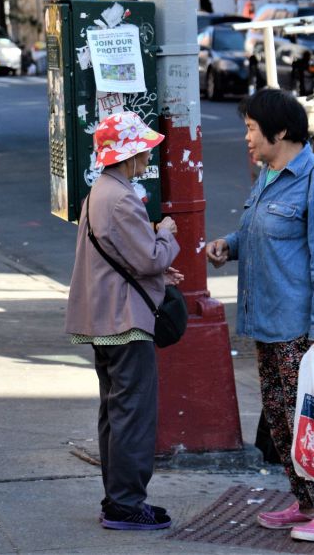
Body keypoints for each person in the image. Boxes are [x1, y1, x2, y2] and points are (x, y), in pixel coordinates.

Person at [206, 88, 314, 544]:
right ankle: (306, 501)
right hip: (267, 322)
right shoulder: (270, 175)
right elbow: (258, 229)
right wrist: (228, 245)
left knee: (311, 419)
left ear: (281, 130)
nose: (247, 138)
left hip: (299, 328)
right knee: (280, 418)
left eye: (252, 128)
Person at [65, 111, 183, 532]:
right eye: (143, 150)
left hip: (104, 317)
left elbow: (118, 259)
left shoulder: (100, 192)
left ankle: (119, 500)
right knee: (133, 414)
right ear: (129, 154)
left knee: (115, 413)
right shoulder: (123, 197)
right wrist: (166, 231)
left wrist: (155, 261)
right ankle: (127, 504)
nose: (147, 157)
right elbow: (151, 256)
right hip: (126, 321)